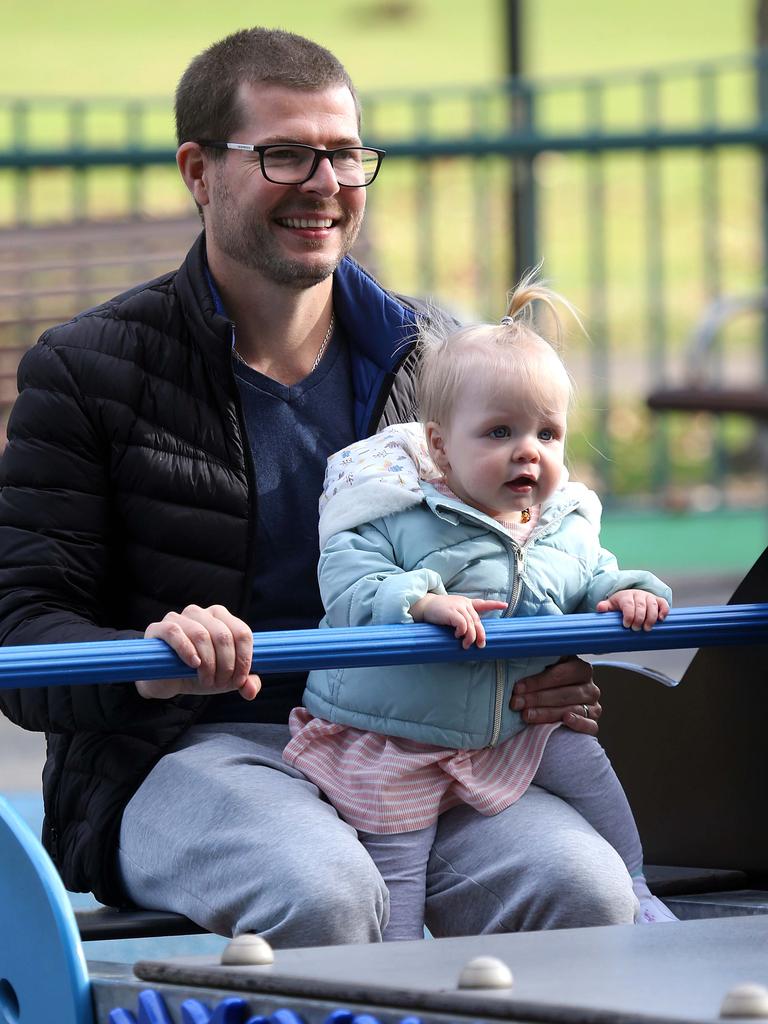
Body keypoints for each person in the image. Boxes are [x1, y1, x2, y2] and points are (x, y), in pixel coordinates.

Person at [0, 27, 636, 947]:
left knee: (584, 889)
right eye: (286, 156)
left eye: (344, 156)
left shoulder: (436, 359)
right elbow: (22, 630)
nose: (326, 185)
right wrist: (150, 661)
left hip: (417, 743)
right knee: (323, 891)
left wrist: (544, 662)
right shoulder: (89, 371)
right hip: (188, 752)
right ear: (198, 171)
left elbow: (539, 538)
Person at [283, 275, 675, 941]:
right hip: (397, 735)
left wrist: (630, 594)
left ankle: (637, 886)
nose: (528, 451)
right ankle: (396, 968)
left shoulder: (560, 528)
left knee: (592, 774)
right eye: (499, 432)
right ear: (440, 447)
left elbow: (594, 579)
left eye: (547, 434)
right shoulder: (402, 516)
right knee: (397, 870)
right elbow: (349, 584)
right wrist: (421, 601)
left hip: (509, 728)